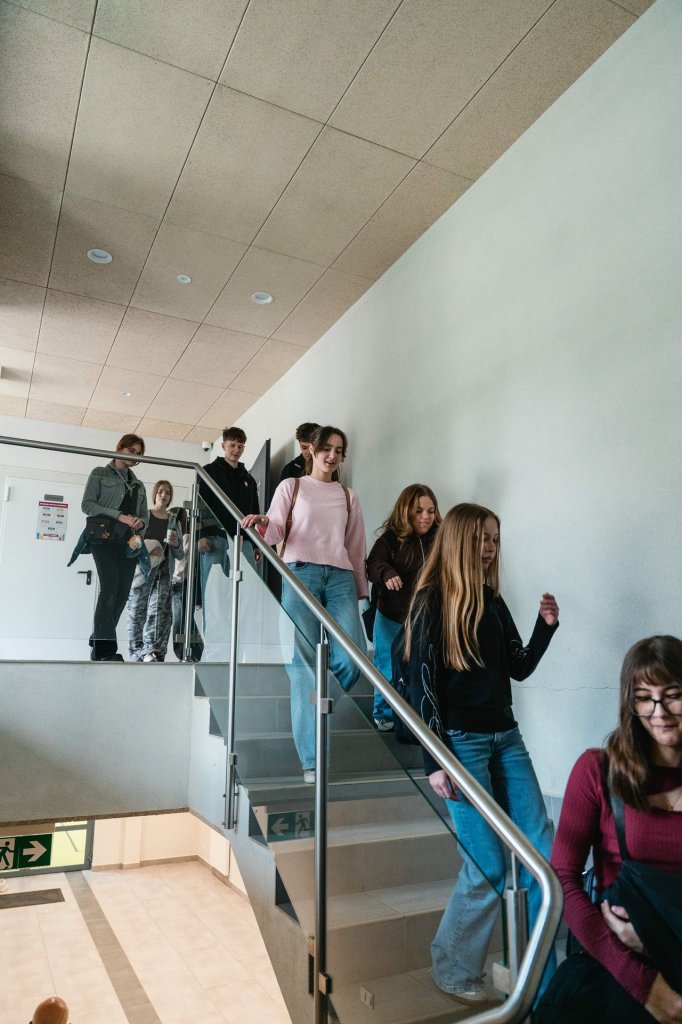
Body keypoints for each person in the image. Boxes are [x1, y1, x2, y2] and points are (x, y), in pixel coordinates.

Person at [404, 502, 559, 1003]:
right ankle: (451, 967)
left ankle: (536, 971)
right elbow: (422, 688)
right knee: (488, 865)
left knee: (544, 854)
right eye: (481, 538)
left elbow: (519, 666)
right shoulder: (431, 601)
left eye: (494, 538)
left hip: (506, 738)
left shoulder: (493, 601)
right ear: (459, 541)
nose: (490, 547)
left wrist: (545, 627)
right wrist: (435, 761)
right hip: (461, 746)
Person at [535, 635, 682, 1024]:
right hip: (617, 965)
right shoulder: (597, 771)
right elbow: (562, 879)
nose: (659, 711)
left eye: (673, 695)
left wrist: (655, 942)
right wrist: (644, 984)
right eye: (644, 698)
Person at [243, 426, 368, 784]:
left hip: (341, 578)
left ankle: (316, 702)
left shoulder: (348, 496)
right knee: (303, 666)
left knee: (353, 657)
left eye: (339, 450)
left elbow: (355, 546)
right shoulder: (292, 486)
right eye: (326, 448)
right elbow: (276, 529)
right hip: (300, 575)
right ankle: (312, 762)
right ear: (312, 449)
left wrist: (361, 589)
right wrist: (264, 523)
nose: (332, 455)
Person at [366, 484, 441, 731]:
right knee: (387, 666)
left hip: (424, 618)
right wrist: (387, 573)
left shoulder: (440, 539)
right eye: (419, 511)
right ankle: (384, 714)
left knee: (420, 669)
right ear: (406, 511)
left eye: (431, 511)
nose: (426, 517)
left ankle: (417, 717)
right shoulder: (391, 538)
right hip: (391, 616)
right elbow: (373, 564)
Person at [82, 433, 148, 661]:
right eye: (132, 451)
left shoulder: (138, 484)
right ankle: (105, 651)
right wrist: (118, 516)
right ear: (120, 448)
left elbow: (145, 516)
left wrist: (140, 522)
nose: (135, 456)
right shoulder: (100, 473)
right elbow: (87, 505)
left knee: (122, 594)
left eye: (139, 454)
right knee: (109, 589)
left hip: (128, 542)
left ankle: (99, 638)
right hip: (103, 538)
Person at [197, 426, 260, 636]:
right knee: (214, 595)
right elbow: (199, 506)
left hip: (244, 542)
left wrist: (257, 544)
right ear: (223, 445)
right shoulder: (208, 472)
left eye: (240, 446)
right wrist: (200, 536)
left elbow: (254, 512)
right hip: (215, 539)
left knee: (247, 595)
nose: (236, 450)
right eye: (232, 445)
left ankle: (241, 644)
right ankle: (214, 647)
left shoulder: (248, 478)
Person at [127, 480, 182, 662]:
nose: (163, 495)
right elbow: (132, 543)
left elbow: (180, 553)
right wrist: (151, 548)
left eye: (167, 492)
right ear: (154, 494)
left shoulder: (173, 520)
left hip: (164, 571)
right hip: (142, 571)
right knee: (137, 610)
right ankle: (136, 653)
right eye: (160, 491)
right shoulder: (144, 516)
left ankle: (152, 651)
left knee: (158, 612)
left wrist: (176, 544)